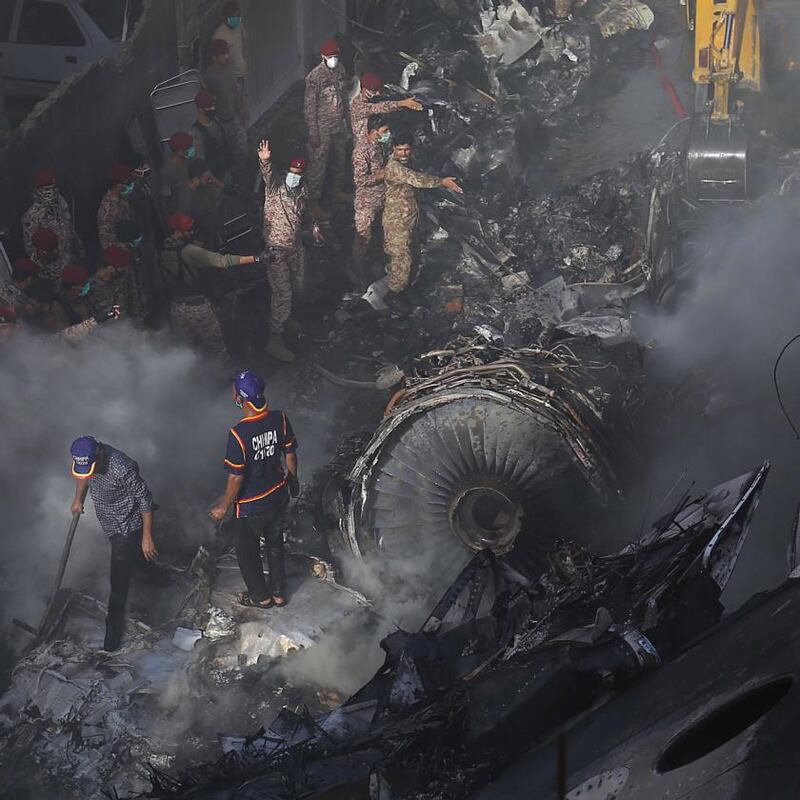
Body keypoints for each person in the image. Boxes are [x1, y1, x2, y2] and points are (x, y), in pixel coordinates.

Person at [209, 370, 300, 609]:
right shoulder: (279, 418)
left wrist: (223, 506)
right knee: (274, 544)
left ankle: (262, 598)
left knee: (247, 555)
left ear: (240, 397)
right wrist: (293, 480)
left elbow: (236, 478)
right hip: (278, 495)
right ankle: (279, 594)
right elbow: (290, 453)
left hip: (251, 505)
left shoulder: (238, 434)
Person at [70, 436, 156, 651]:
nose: (87, 470)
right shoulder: (87, 458)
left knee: (118, 584)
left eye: (90, 465)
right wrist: (78, 498)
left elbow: (145, 499)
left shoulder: (121, 467)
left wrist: (147, 537)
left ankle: (111, 641)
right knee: (140, 563)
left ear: (98, 455)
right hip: (109, 522)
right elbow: (84, 475)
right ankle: (160, 581)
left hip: (126, 526)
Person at [258, 139, 324, 362]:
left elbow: (305, 213)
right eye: (292, 170)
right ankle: (274, 339)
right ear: (287, 170)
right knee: (282, 293)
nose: (295, 174)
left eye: (299, 171)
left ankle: (287, 319)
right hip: (276, 251)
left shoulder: (302, 189)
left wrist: (314, 227)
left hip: (295, 247)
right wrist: (265, 160)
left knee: (298, 284)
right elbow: (267, 174)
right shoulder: (275, 186)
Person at [382, 133, 463, 310]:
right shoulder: (395, 167)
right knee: (401, 259)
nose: (403, 153)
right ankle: (394, 294)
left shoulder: (406, 163)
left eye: (407, 149)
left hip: (408, 220)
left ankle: (405, 288)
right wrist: (442, 182)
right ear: (393, 150)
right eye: (399, 150)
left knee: (412, 256)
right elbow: (417, 179)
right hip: (397, 223)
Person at [161, 212, 259, 356]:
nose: (192, 231)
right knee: (216, 348)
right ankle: (221, 375)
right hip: (197, 308)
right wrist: (256, 258)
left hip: (176, 308)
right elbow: (223, 261)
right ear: (178, 231)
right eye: (188, 229)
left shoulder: (163, 250)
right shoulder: (190, 252)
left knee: (185, 352)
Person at [304, 38, 350, 220]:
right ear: (323, 56)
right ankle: (312, 204)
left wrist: (348, 119)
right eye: (330, 56)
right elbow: (309, 107)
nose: (333, 59)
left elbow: (344, 97)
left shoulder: (341, 69)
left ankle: (336, 192)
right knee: (317, 166)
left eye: (336, 56)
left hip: (338, 125)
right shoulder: (315, 77)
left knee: (340, 159)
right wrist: (313, 132)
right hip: (322, 128)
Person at [353, 114, 392, 284]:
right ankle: (357, 268)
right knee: (364, 237)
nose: (388, 133)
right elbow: (360, 180)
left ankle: (379, 264)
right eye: (385, 131)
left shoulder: (380, 145)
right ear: (374, 131)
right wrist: (380, 175)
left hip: (382, 197)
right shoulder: (362, 151)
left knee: (382, 233)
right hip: (366, 202)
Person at [203, 39, 248, 187]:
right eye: (222, 54)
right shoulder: (209, 76)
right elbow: (208, 101)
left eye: (227, 53)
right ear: (214, 57)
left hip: (233, 117)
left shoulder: (229, 69)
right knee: (223, 155)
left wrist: (241, 109)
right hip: (219, 121)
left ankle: (239, 181)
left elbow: (236, 91)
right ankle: (227, 185)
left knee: (241, 149)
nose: (227, 56)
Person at [22, 169, 84, 264]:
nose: (50, 192)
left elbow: (69, 226)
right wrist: (47, 268)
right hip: (52, 266)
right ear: (38, 190)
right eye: (46, 190)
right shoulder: (32, 215)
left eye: (52, 188)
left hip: (70, 259)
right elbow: (30, 247)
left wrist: (80, 250)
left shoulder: (61, 203)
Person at [349, 73, 422, 147]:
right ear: (364, 89)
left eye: (378, 90)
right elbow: (378, 107)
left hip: (377, 143)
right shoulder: (358, 105)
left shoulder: (373, 99)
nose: (377, 93)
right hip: (364, 145)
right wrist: (402, 103)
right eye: (374, 90)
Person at [84, 246, 133, 320]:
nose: (116, 276)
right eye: (115, 272)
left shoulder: (114, 281)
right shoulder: (87, 286)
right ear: (110, 268)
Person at [192, 90, 229, 185]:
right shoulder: (196, 133)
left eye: (213, 105)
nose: (213, 108)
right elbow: (198, 161)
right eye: (209, 106)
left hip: (225, 171)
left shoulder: (216, 121)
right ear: (200, 109)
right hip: (213, 181)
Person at [212, 1, 247, 93]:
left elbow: (243, 42)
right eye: (233, 16)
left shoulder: (239, 26)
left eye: (238, 16)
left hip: (241, 74)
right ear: (225, 17)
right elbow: (217, 61)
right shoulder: (219, 35)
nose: (236, 19)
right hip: (230, 78)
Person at [98, 164, 134, 250]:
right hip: (117, 252)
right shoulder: (108, 208)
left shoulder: (121, 199)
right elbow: (106, 239)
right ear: (117, 185)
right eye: (128, 183)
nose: (131, 185)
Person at [160, 132, 196, 214]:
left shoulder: (186, 161)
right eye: (189, 148)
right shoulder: (167, 170)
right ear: (179, 151)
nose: (192, 149)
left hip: (191, 206)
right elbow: (165, 200)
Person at [52, 264, 91, 330]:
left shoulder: (83, 301)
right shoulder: (56, 306)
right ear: (74, 287)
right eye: (83, 285)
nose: (86, 287)